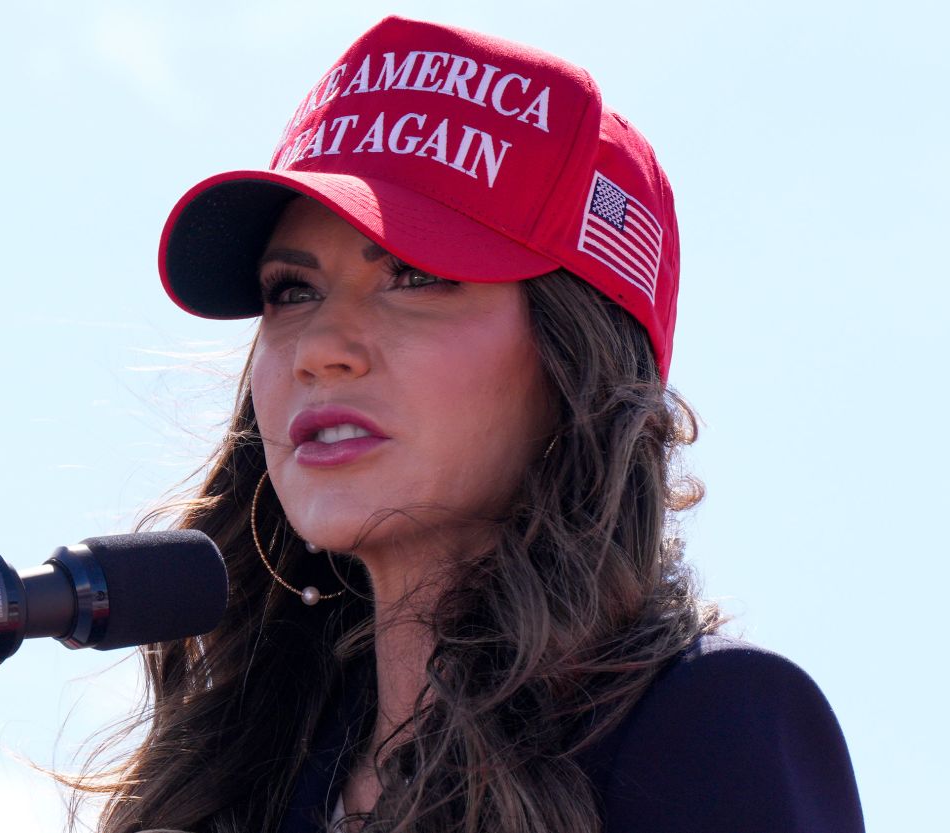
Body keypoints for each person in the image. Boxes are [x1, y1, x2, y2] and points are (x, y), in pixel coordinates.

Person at [76, 16, 864, 833]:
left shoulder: (713, 728)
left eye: (416, 276)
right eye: (290, 289)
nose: (321, 348)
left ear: (575, 358)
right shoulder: (235, 776)